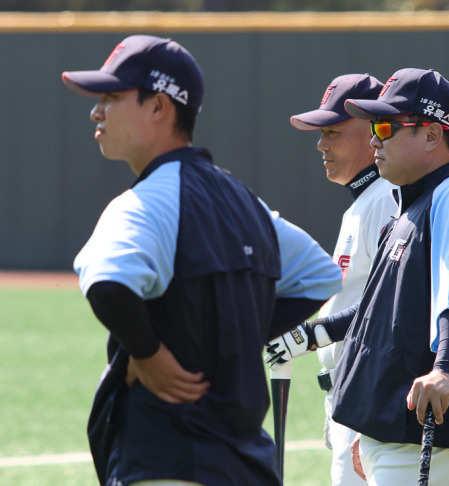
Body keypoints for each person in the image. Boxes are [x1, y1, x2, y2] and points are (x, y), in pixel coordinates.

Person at [62, 35, 342, 486]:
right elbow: (320, 275)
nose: (97, 110)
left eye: (112, 97)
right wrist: (231, 339)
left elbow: (108, 284)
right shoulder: (244, 201)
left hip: (166, 456)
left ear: (159, 107)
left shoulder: (144, 201)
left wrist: (148, 353)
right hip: (246, 462)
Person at [266, 68, 449, 485]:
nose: (375, 138)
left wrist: (446, 369)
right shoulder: (410, 203)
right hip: (391, 427)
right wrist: (315, 337)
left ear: (433, 135)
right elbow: (379, 308)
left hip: (429, 430)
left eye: (386, 126)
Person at [288, 74, 397, 486]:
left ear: (372, 132)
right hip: (347, 395)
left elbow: (389, 305)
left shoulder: (384, 198)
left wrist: (310, 336)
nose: (321, 144)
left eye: (333, 131)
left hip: (367, 398)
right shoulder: (363, 202)